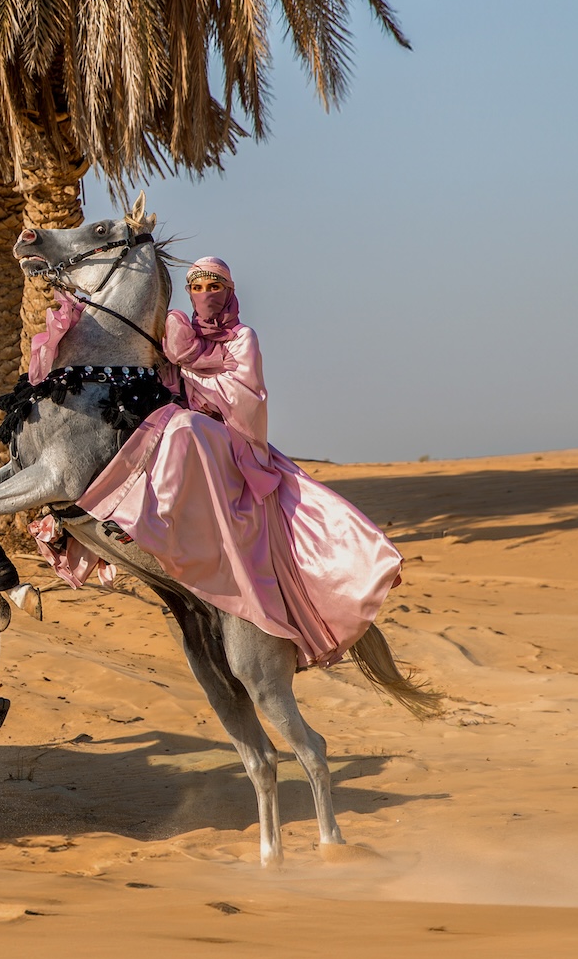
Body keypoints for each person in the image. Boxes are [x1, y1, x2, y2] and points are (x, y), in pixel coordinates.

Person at [73, 257, 400, 669]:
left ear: (229, 291)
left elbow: (246, 394)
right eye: (196, 286)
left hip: (230, 433)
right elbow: (169, 371)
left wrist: (195, 369)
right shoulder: (180, 329)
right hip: (183, 420)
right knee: (157, 427)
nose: (206, 294)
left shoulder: (243, 336)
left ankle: (160, 518)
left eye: (215, 286)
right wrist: (187, 362)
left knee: (183, 427)